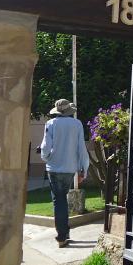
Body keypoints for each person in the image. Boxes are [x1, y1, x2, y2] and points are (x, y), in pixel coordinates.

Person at [40, 99, 90, 248]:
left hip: (54, 167)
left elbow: (45, 147)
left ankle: (61, 236)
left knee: (59, 200)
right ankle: (65, 232)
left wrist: (46, 157)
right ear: (69, 111)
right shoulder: (77, 124)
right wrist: (83, 168)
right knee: (62, 199)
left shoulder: (50, 124)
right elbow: (81, 147)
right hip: (70, 168)